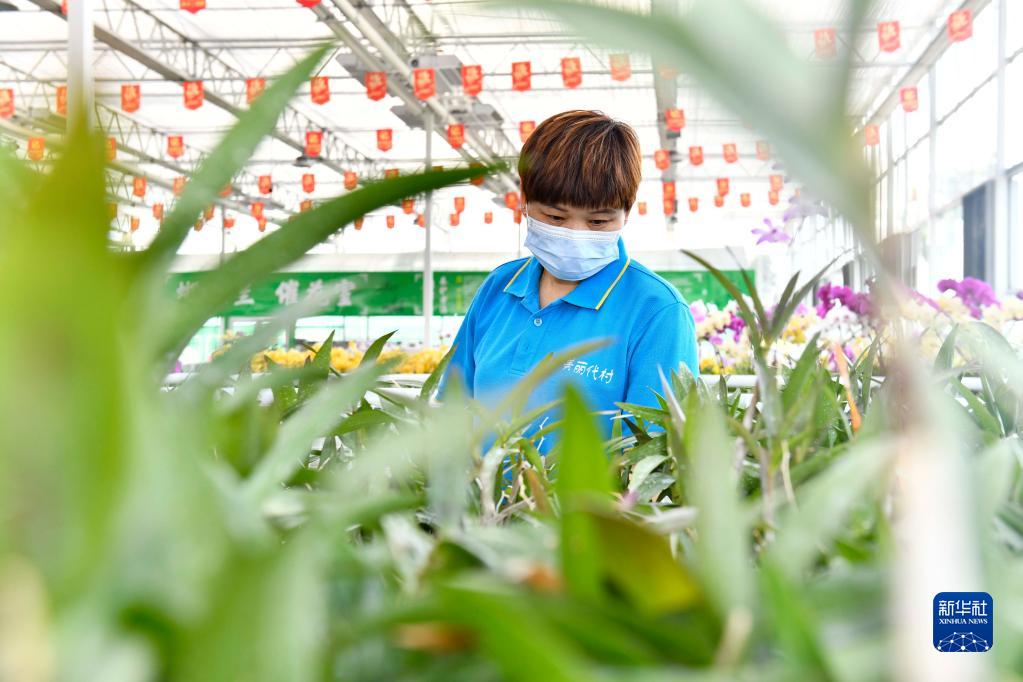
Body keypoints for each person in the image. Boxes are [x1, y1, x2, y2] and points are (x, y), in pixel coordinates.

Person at [437, 110, 698, 454]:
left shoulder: (657, 311)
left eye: (598, 221)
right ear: (525, 202)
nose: (575, 235)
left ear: (626, 213)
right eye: (555, 217)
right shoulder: (499, 288)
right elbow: (453, 410)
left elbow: (655, 454)